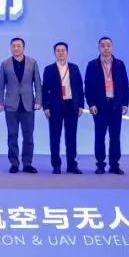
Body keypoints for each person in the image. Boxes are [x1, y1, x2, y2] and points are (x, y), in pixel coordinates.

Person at [84, 36, 129, 175]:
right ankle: (100, 164)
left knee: (115, 137)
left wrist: (125, 103)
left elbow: (125, 85)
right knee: (100, 137)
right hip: (99, 107)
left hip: (116, 106)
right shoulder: (92, 65)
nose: (106, 48)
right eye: (103, 45)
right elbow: (88, 87)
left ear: (112, 47)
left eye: (108, 45)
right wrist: (91, 104)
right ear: (99, 48)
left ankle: (114, 164)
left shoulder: (119, 64)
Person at [0, 37, 42, 174]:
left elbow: (37, 84)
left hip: (28, 105)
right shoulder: (5, 64)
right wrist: (0, 102)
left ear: (23, 47)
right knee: (12, 136)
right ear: (11, 48)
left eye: (19, 46)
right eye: (14, 46)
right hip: (11, 106)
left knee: (28, 136)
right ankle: (14, 163)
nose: (16, 48)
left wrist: (38, 101)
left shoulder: (32, 63)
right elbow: (1, 85)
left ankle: (27, 163)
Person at [42, 42, 85, 174]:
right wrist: (46, 107)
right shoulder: (49, 69)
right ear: (54, 53)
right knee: (55, 136)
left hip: (71, 106)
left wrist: (81, 105)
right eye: (58, 51)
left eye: (63, 50)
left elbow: (79, 88)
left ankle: (72, 165)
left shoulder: (74, 68)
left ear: (67, 52)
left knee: (71, 136)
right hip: (55, 107)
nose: (61, 53)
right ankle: (56, 165)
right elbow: (45, 89)